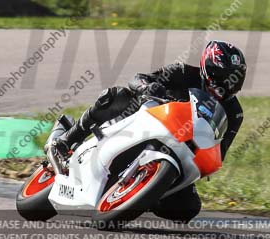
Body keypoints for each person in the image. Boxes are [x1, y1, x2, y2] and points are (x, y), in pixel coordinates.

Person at [53, 40, 246, 222]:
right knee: (116, 96)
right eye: (221, 80)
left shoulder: (234, 113)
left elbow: (221, 150)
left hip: (183, 149)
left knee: (189, 208)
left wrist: (209, 160)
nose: (224, 88)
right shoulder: (181, 72)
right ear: (207, 70)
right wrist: (148, 86)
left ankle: (143, 194)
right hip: (145, 120)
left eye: (232, 83)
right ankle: (69, 139)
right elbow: (138, 79)